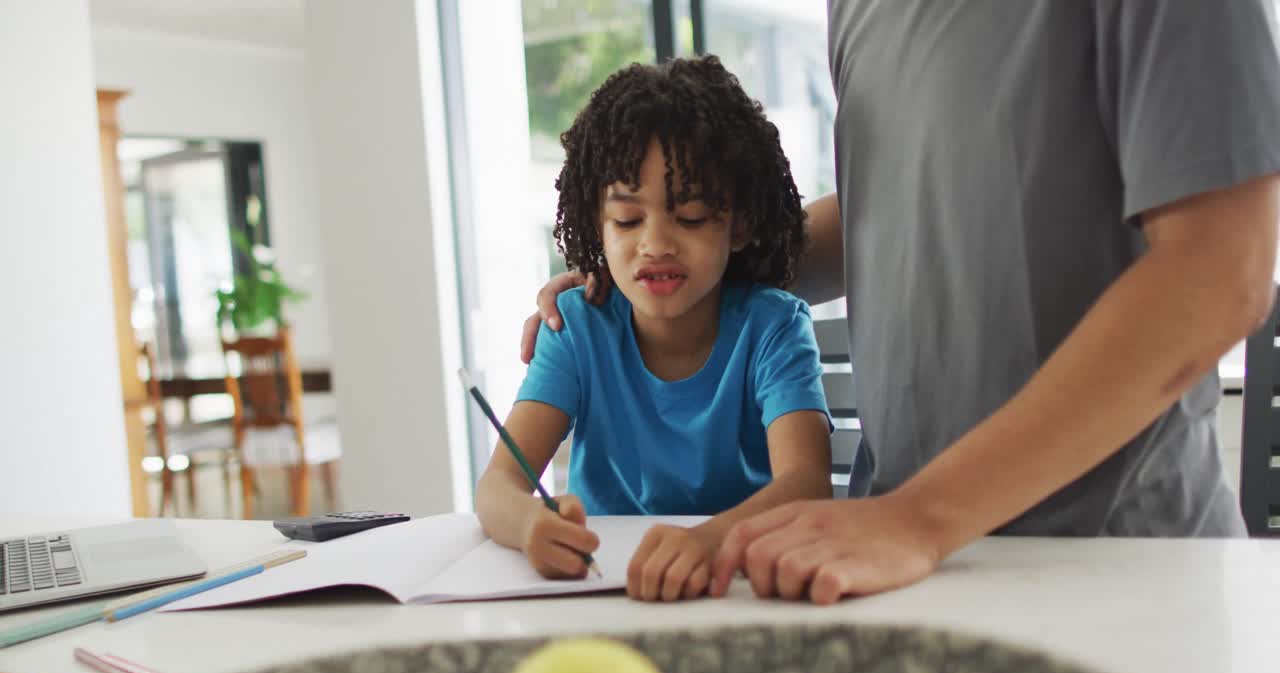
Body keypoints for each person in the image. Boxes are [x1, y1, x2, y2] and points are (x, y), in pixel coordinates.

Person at [524, 1, 1280, 605]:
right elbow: (893, 210)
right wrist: (655, 283)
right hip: (896, 569)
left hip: (1109, 569)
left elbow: (1220, 268)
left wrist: (921, 517)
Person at [478, 55, 834, 603]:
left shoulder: (773, 328)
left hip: (739, 588)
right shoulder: (576, 328)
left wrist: (710, 541)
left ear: (738, 226)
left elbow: (806, 484)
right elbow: (497, 487)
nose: (655, 244)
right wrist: (531, 526)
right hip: (605, 593)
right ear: (597, 224)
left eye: (689, 218)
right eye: (627, 220)